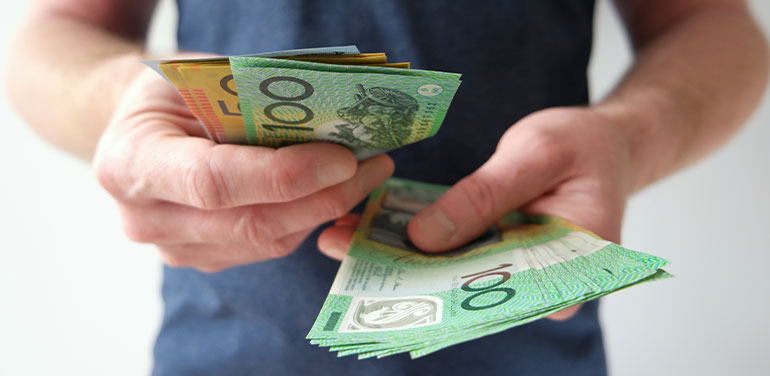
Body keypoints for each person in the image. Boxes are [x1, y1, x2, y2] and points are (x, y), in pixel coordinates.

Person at [6, 0, 768, 374]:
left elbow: (713, 25)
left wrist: (633, 137)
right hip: (226, 350)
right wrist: (123, 102)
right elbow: (51, 35)